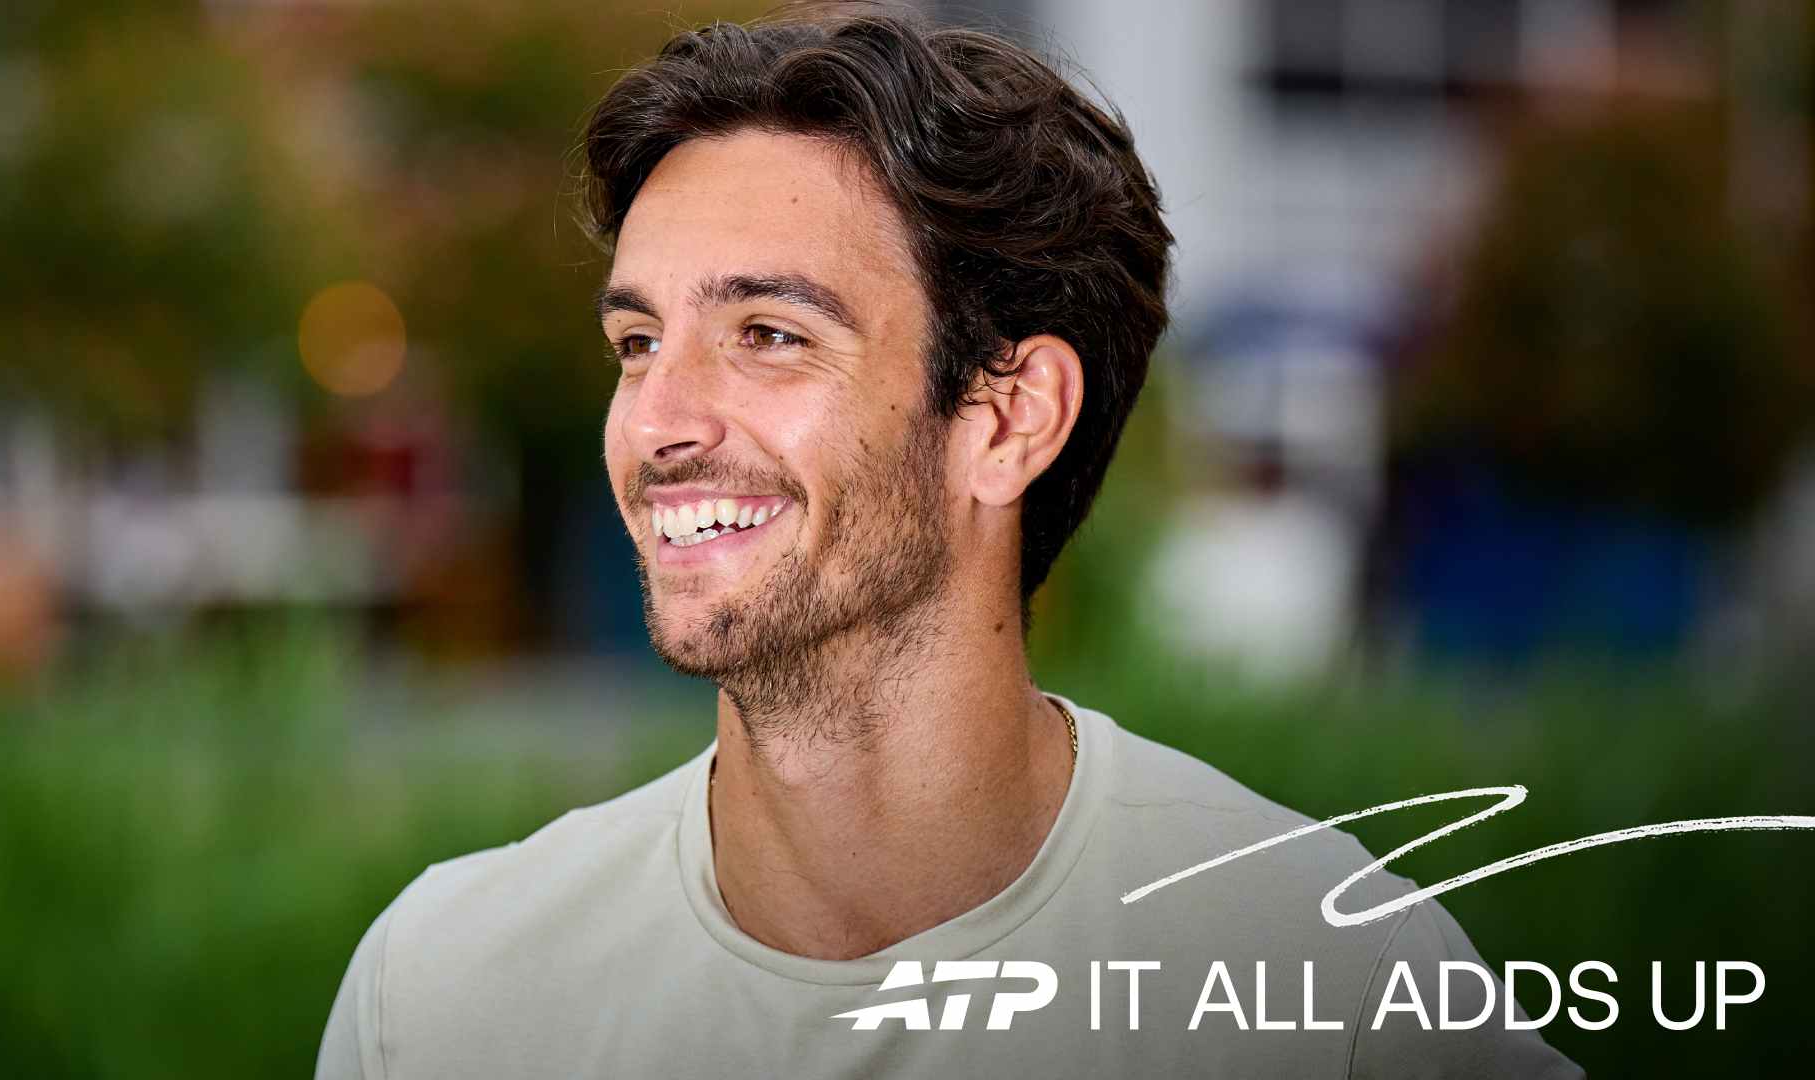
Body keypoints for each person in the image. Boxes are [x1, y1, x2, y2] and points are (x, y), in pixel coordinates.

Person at [318, 5, 1582, 1076]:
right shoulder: (444, 1001)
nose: (656, 420)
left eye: (767, 333)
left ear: (1007, 417)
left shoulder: (1329, 983)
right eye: (637, 343)